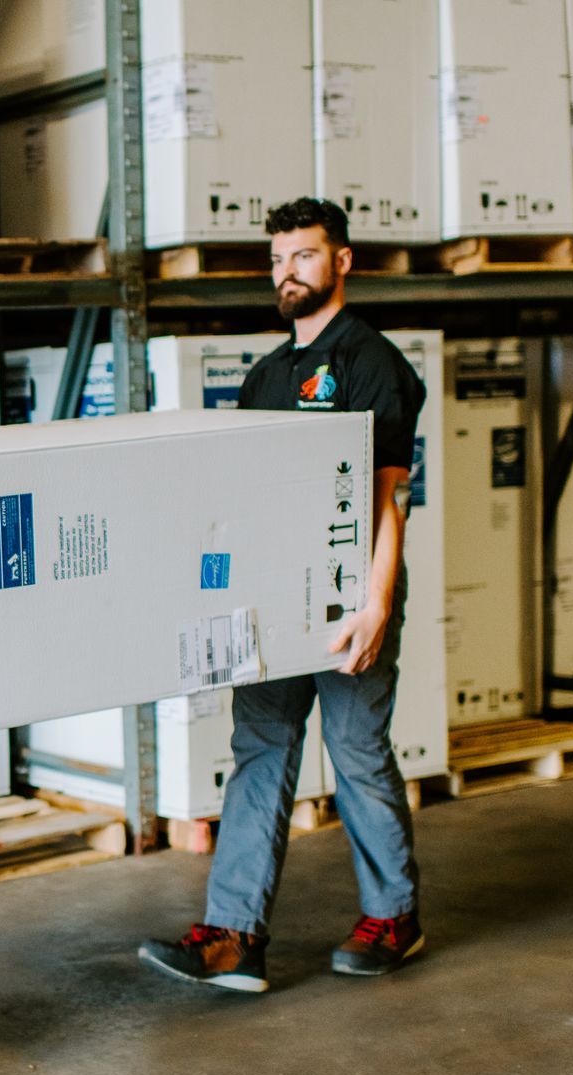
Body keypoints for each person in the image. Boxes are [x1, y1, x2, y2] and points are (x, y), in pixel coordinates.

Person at [139, 197, 426, 993]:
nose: (286, 273)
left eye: (303, 255)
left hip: (349, 594)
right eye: (277, 260)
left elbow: (388, 498)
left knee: (357, 749)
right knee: (260, 748)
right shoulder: (265, 376)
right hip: (275, 598)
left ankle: (395, 916)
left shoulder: (371, 363)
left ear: (341, 261)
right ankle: (234, 936)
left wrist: (375, 606)